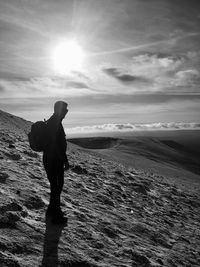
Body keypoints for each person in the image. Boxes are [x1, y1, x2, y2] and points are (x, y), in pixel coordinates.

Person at [43, 101, 69, 224]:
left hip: (52, 159)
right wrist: (64, 161)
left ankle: (52, 212)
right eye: (65, 110)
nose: (66, 112)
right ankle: (55, 216)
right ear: (59, 110)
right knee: (56, 187)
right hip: (54, 160)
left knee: (56, 187)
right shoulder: (55, 123)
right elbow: (56, 145)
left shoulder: (54, 121)